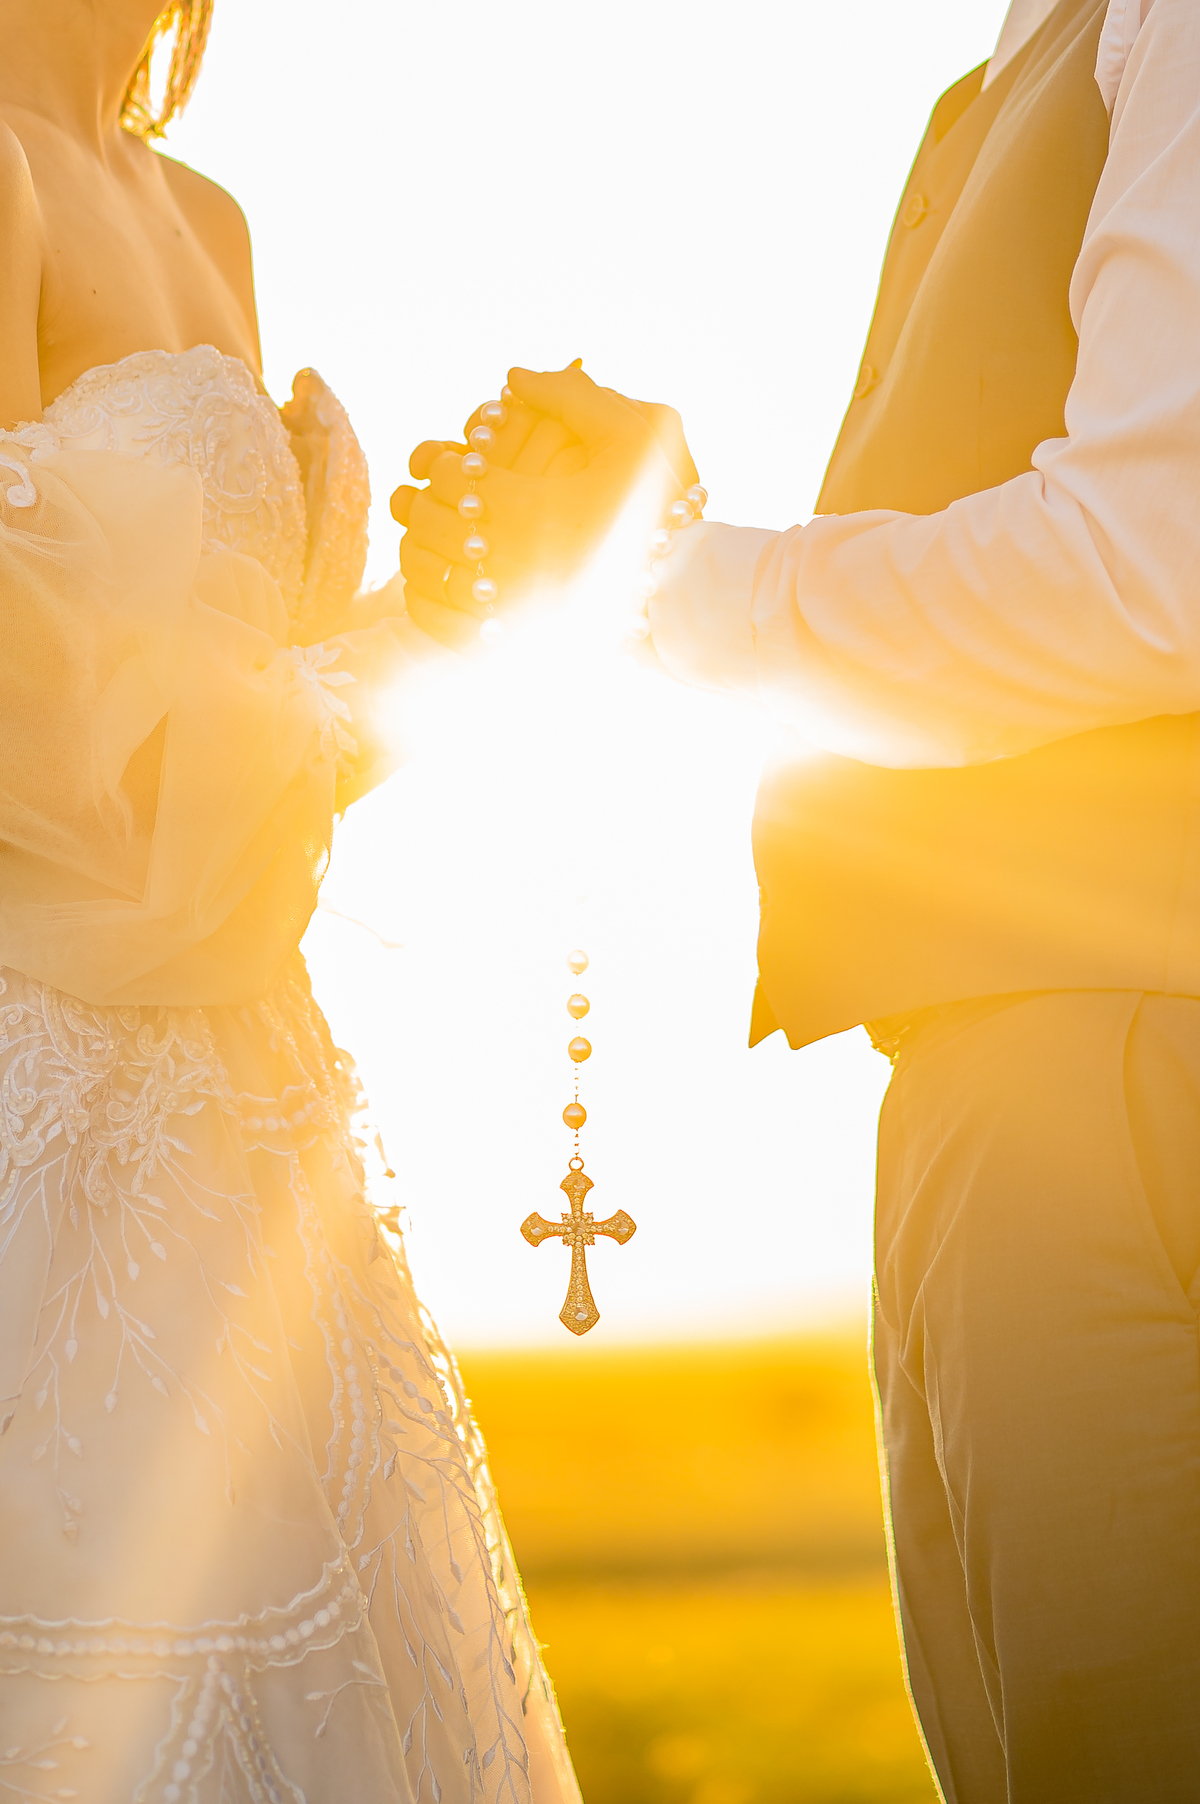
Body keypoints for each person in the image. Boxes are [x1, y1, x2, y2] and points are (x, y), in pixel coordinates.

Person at [395, 0, 1200, 1798]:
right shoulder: (1032, 61)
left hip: (1123, 1057)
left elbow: (1158, 560)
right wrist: (643, 545)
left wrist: (675, 574)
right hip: (999, 1052)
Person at [0, 3, 581, 1799]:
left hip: (254, 1106)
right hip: (54, 1081)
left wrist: (451, 609)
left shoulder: (210, 217)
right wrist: (325, 691)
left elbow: (256, 758)